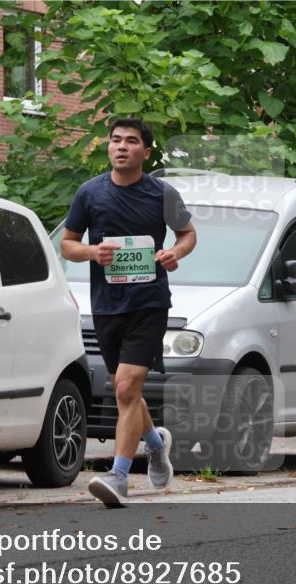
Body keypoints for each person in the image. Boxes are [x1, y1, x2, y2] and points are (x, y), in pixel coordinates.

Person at [60, 118, 197, 507]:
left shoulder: (162, 193)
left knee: (125, 386)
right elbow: (68, 244)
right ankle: (155, 444)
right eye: (116, 140)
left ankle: (118, 476)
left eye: (131, 142)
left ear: (146, 152)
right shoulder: (90, 193)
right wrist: (91, 252)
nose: (121, 147)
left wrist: (175, 252)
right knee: (127, 391)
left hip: (149, 302)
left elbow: (188, 234)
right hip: (106, 305)